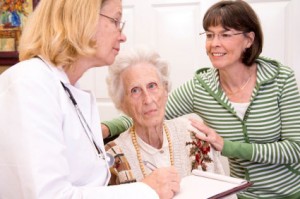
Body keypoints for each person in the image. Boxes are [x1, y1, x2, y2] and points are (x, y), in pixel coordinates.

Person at [101, 1, 300, 198]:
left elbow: (295, 149)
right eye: (210, 34)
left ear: (249, 39)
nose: (214, 43)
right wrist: (105, 129)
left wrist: (227, 146)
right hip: (242, 195)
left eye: (225, 34)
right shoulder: (201, 87)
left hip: (287, 193)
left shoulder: (280, 79)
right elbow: (150, 109)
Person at [0, 0, 180, 198]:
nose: (122, 36)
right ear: (82, 19)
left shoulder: (68, 89)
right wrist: (145, 190)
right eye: (115, 21)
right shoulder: (29, 82)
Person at [104, 48, 225, 185]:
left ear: (165, 90)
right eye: (135, 90)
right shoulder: (113, 156)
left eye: (152, 86)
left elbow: (223, 193)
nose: (148, 99)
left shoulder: (194, 135)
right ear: (122, 104)